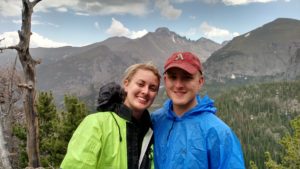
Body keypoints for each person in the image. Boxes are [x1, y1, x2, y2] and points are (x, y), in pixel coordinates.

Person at [151, 52, 245, 169]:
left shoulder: (219, 133)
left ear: (200, 82)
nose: (179, 85)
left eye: (187, 77)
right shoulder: (154, 121)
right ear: (165, 80)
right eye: (173, 77)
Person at [60, 62, 160, 169]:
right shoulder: (96, 124)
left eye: (152, 88)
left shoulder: (152, 131)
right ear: (126, 84)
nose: (145, 91)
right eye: (140, 84)